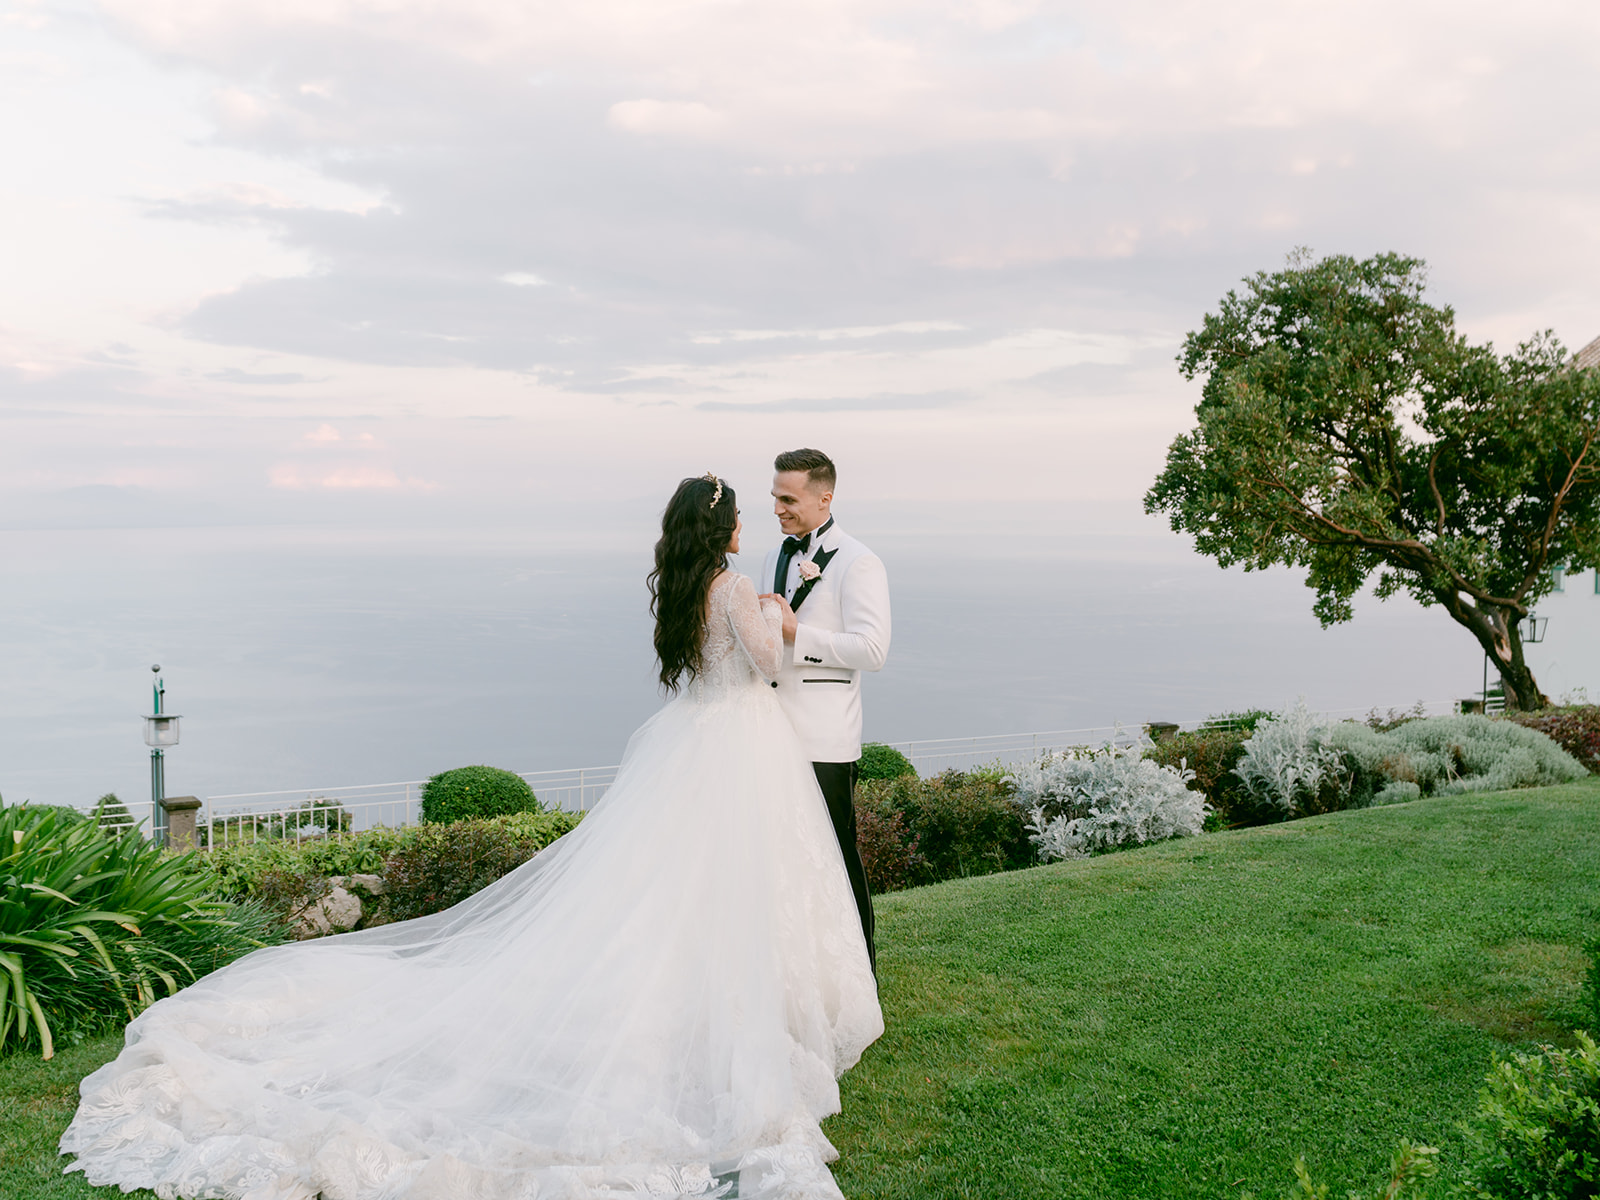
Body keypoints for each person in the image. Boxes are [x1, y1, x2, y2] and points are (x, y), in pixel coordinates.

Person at [60, 473, 883, 1200]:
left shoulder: (682, 586)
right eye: (739, 513)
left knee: (675, 888)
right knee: (736, 881)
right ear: (721, 526)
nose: (748, 522)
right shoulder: (735, 588)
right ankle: (735, 1008)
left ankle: (697, 1001)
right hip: (737, 743)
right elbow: (767, 665)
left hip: (690, 739)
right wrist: (777, 612)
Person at [759, 450, 891, 976]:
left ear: (824, 498)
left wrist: (799, 634)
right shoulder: (774, 555)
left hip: (824, 738)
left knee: (837, 858)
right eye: (775, 497)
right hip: (771, 732)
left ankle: (861, 974)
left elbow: (872, 650)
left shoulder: (859, 562)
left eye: (787, 499)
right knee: (786, 860)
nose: (778, 508)